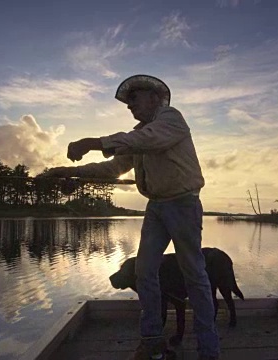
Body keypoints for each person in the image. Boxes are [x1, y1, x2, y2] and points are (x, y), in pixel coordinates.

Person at [42, 74, 219, 360]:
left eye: (133, 99)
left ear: (154, 97)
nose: (129, 106)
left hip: (183, 205)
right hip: (157, 208)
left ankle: (209, 350)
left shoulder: (171, 119)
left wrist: (92, 141)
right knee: (144, 271)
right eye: (127, 102)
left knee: (194, 275)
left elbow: (146, 139)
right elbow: (111, 169)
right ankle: (152, 341)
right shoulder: (137, 138)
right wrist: (68, 170)